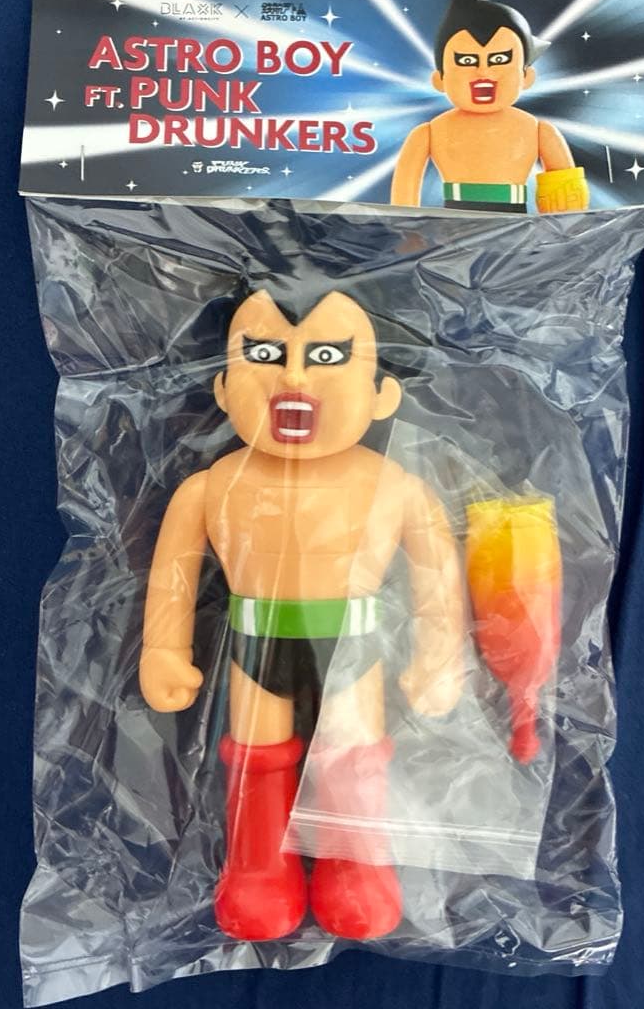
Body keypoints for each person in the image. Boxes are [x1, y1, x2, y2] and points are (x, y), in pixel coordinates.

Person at [140, 285, 466, 942]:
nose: (293, 377)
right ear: (224, 387)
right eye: (264, 354)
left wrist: (439, 655)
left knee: (351, 757)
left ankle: (356, 865)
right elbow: (173, 573)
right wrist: (163, 649)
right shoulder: (211, 487)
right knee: (255, 759)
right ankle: (257, 867)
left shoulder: (396, 487)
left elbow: (437, 578)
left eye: (327, 355)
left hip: (352, 649)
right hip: (255, 646)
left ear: (381, 394)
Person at [390, 0, 590, 213]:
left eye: (499, 59)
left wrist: (563, 227)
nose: (483, 71)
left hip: (516, 227)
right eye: (466, 60)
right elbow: (404, 193)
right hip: (454, 226)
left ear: (526, 76)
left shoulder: (539, 131)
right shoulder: (429, 132)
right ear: (440, 79)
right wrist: (408, 228)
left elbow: (565, 200)